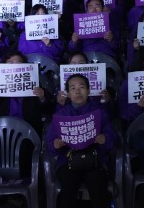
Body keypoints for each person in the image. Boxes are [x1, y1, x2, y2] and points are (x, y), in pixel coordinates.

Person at [46, 74, 115, 208]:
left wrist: (104, 139)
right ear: (68, 94)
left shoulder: (99, 113)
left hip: (95, 160)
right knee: (69, 183)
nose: (78, 91)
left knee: (97, 182)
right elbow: (50, 143)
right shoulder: (61, 115)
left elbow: (111, 137)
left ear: (88, 91)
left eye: (82, 87)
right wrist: (55, 144)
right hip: (67, 162)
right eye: (73, 88)